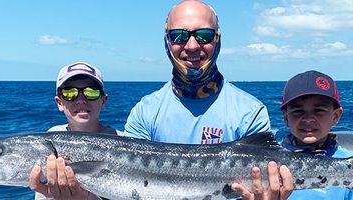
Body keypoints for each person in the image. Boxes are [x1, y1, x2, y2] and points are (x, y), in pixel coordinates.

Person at [123, 0, 293, 199]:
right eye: (179, 35)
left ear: (218, 40)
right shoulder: (145, 112)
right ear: (167, 42)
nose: (192, 46)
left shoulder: (250, 112)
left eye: (204, 36)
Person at [28, 62, 117, 200]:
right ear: (59, 102)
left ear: (103, 100)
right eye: (70, 93)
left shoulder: (126, 139)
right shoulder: (50, 139)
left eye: (91, 92)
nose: (81, 100)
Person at [278, 70, 353, 199]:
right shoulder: (266, 161)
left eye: (319, 110)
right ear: (286, 118)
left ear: (335, 116)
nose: (308, 119)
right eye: (298, 111)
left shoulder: (347, 162)